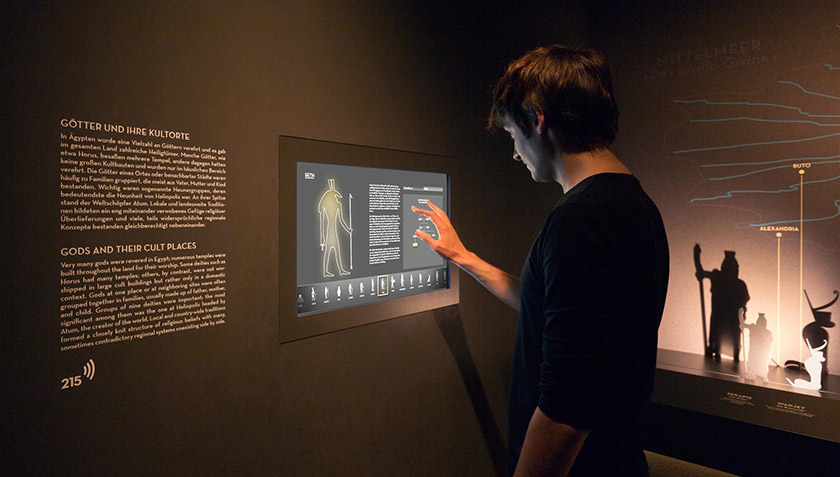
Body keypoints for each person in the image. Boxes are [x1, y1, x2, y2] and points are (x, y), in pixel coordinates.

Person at [413, 45, 669, 476]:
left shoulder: (582, 219)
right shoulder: (634, 204)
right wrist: (463, 257)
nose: (516, 152)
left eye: (513, 134)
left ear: (537, 120)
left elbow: (567, 409)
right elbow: (549, 305)